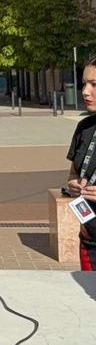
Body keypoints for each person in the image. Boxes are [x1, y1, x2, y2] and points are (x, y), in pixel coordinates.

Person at [65, 56, 96, 269]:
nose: (85, 91)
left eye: (94, 85)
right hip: (89, 237)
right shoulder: (84, 127)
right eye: (84, 83)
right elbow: (72, 174)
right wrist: (74, 184)